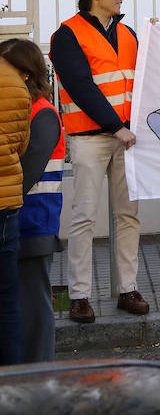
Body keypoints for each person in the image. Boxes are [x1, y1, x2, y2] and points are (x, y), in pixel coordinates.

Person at [48, 0, 148, 324]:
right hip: (91, 138)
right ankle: (79, 295)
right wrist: (115, 126)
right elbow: (80, 86)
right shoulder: (67, 35)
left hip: (127, 139)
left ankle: (128, 289)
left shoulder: (128, 32)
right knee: (84, 217)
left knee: (128, 216)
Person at [2, 39, 60, 364]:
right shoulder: (21, 110)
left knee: (34, 309)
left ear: (25, 73)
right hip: (15, 221)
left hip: (32, 221)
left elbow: (24, 174)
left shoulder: (43, 114)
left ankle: (39, 379)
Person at [0, 52, 29, 365]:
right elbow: (21, 144)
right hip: (6, 203)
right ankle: (14, 381)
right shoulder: (15, 81)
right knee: (7, 300)